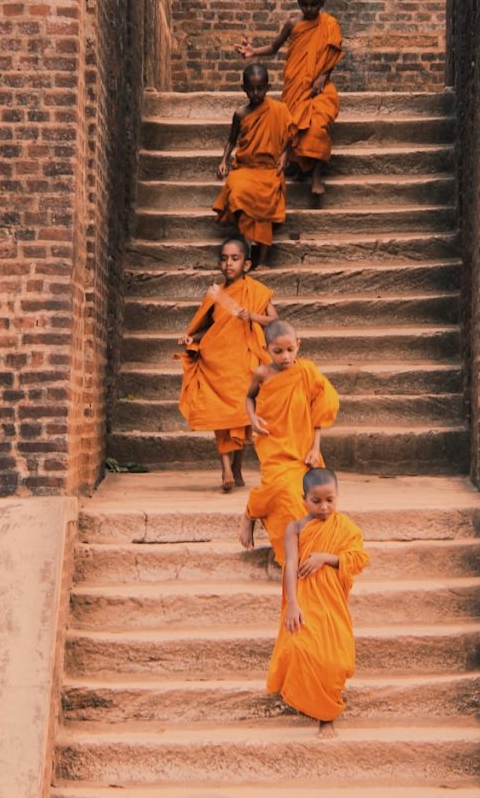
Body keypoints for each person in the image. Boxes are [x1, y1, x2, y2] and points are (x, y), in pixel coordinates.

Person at [267, 467, 370, 737]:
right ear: (304, 500)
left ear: (337, 498)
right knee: (301, 646)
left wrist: (324, 558)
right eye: (316, 501)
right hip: (304, 595)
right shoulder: (295, 528)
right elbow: (290, 565)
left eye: (330, 500)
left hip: (331, 599)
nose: (324, 507)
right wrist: (292, 604)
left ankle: (328, 713)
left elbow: (359, 559)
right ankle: (316, 709)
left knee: (336, 658)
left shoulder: (345, 527)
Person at [176, 237, 278, 491]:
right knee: (221, 415)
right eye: (224, 258)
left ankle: (237, 467)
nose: (228, 263)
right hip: (217, 361)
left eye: (235, 258)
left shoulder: (256, 291)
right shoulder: (215, 294)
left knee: (242, 416)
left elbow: (274, 322)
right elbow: (207, 328)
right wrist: (191, 338)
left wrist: (251, 315)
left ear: (246, 264)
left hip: (243, 361)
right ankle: (225, 470)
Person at [238, 319, 338, 564]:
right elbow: (249, 398)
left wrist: (316, 448)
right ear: (266, 349)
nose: (285, 356)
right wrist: (252, 418)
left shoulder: (307, 372)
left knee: (298, 498)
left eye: (290, 350)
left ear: (298, 345)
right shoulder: (262, 373)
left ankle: (301, 554)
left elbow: (320, 411)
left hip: (302, 446)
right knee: (277, 487)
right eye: (278, 351)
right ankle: (250, 513)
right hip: (272, 441)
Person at [236, 0, 343, 196]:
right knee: (293, 124)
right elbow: (275, 46)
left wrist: (323, 76)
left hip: (320, 87)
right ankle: (300, 167)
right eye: (304, 4)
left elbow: (332, 54)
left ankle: (316, 175)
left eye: (314, 4)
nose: (309, 9)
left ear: (323, 2)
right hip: (296, 85)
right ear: (298, 2)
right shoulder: (293, 24)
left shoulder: (330, 24)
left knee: (319, 124)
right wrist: (253, 51)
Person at [213, 63, 291, 269]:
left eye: (260, 88)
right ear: (243, 88)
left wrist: (284, 157)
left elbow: (289, 138)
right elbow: (231, 140)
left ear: (268, 87)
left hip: (268, 168)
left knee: (266, 199)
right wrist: (223, 161)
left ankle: (262, 260)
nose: (255, 93)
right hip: (246, 168)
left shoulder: (279, 110)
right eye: (251, 89)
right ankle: (246, 251)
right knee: (237, 190)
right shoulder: (240, 114)